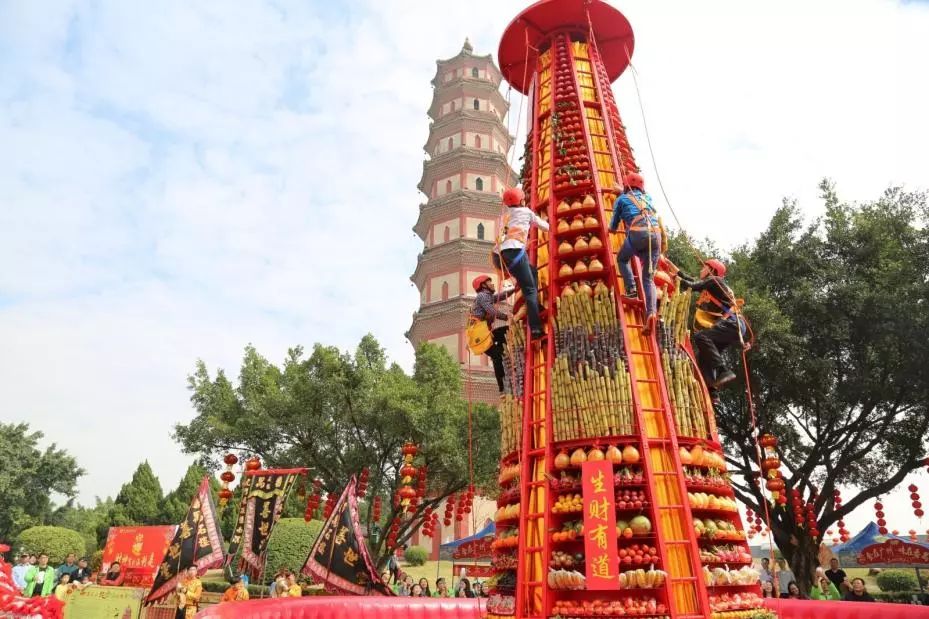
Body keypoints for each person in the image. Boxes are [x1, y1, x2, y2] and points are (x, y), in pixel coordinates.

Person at [678, 259, 747, 403]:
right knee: (705, 354)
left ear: (712, 270)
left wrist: (675, 278)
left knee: (701, 337)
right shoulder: (714, 286)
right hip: (735, 325)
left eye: (704, 267)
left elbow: (691, 285)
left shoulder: (714, 280)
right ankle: (712, 390)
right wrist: (677, 272)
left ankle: (723, 370)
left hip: (733, 322)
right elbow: (694, 282)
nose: (701, 270)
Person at [609, 172, 667, 336]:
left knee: (622, 259)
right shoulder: (648, 198)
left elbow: (613, 227)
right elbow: (637, 200)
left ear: (626, 186)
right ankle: (651, 313)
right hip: (655, 236)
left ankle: (631, 288)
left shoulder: (621, 199)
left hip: (637, 234)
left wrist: (610, 228)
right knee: (648, 279)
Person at [498, 187, 548, 339]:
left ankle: (534, 306)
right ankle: (536, 329)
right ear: (521, 200)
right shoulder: (526, 212)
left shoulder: (506, 216)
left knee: (532, 271)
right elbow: (545, 227)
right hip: (517, 253)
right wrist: (549, 222)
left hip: (505, 255)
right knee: (530, 290)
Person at [470, 275, 515, 393]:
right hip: (481, 336)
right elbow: (491, 311)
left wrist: (515, 289)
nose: (492, 284)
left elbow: (501, 296)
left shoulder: (487, 296)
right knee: (497, 355)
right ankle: (502, 386)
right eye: (489, 282)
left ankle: (504, 383)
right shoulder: (482, 296)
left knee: (506, 331)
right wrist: (506, 317)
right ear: (483, 286)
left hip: (484, 335)